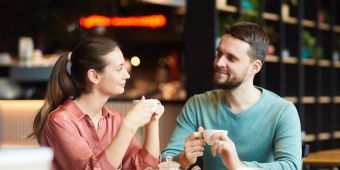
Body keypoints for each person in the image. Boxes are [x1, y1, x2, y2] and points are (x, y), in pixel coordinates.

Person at [162, 22, 302, 170]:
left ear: (255, 67)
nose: (219, 62)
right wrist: (184, 158)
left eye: (232, 58)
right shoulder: (198, 104)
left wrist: (239, 167)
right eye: (219, 53)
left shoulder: (282, 111)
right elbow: (166, 158)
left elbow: (291, 166)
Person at [30, 37, 164, 170]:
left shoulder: (114, 119)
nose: (127, 75)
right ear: (94, 76)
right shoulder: (60, 121)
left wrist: (153, 121)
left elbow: (145, 167)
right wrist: (128, 126)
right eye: (119, 69)